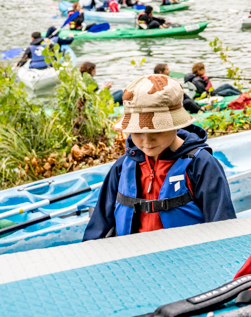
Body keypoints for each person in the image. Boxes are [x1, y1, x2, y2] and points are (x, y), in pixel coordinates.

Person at [82, 74, 234, 240]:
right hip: (133, 252)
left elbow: (223, 226)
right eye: (138, 132)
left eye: (157, 130)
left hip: (188, 252)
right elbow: (99, 224)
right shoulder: (122, 166)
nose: (147, 141)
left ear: (176, 124)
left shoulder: (201, 165)